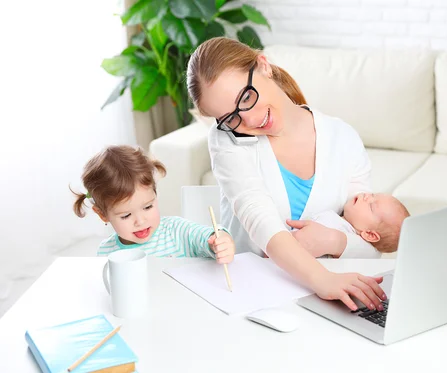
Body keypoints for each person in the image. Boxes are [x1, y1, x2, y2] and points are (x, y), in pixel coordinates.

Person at [186, 37, 386, 312]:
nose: (251, 120)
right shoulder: (227, 139)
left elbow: (373, 244)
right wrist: (323, 279)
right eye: (231, 117)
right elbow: (259, 219)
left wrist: (332, 241)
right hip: (253, 298)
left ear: (264, 66)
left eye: (246, 97)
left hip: (325, 299)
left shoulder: (343, 138)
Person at [71, 145, 235, 263]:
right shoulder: (106, 252)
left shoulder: (175, 230)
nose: (140, 221)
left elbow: (204, 237)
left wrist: (220, 241)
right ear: (102, 214)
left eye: (148, 207)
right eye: (126, 215)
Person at [308, 193, 410, 257]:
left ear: (370, 234)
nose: (366, 196)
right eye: (373, 195)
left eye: (371, 206)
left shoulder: (334, 229)